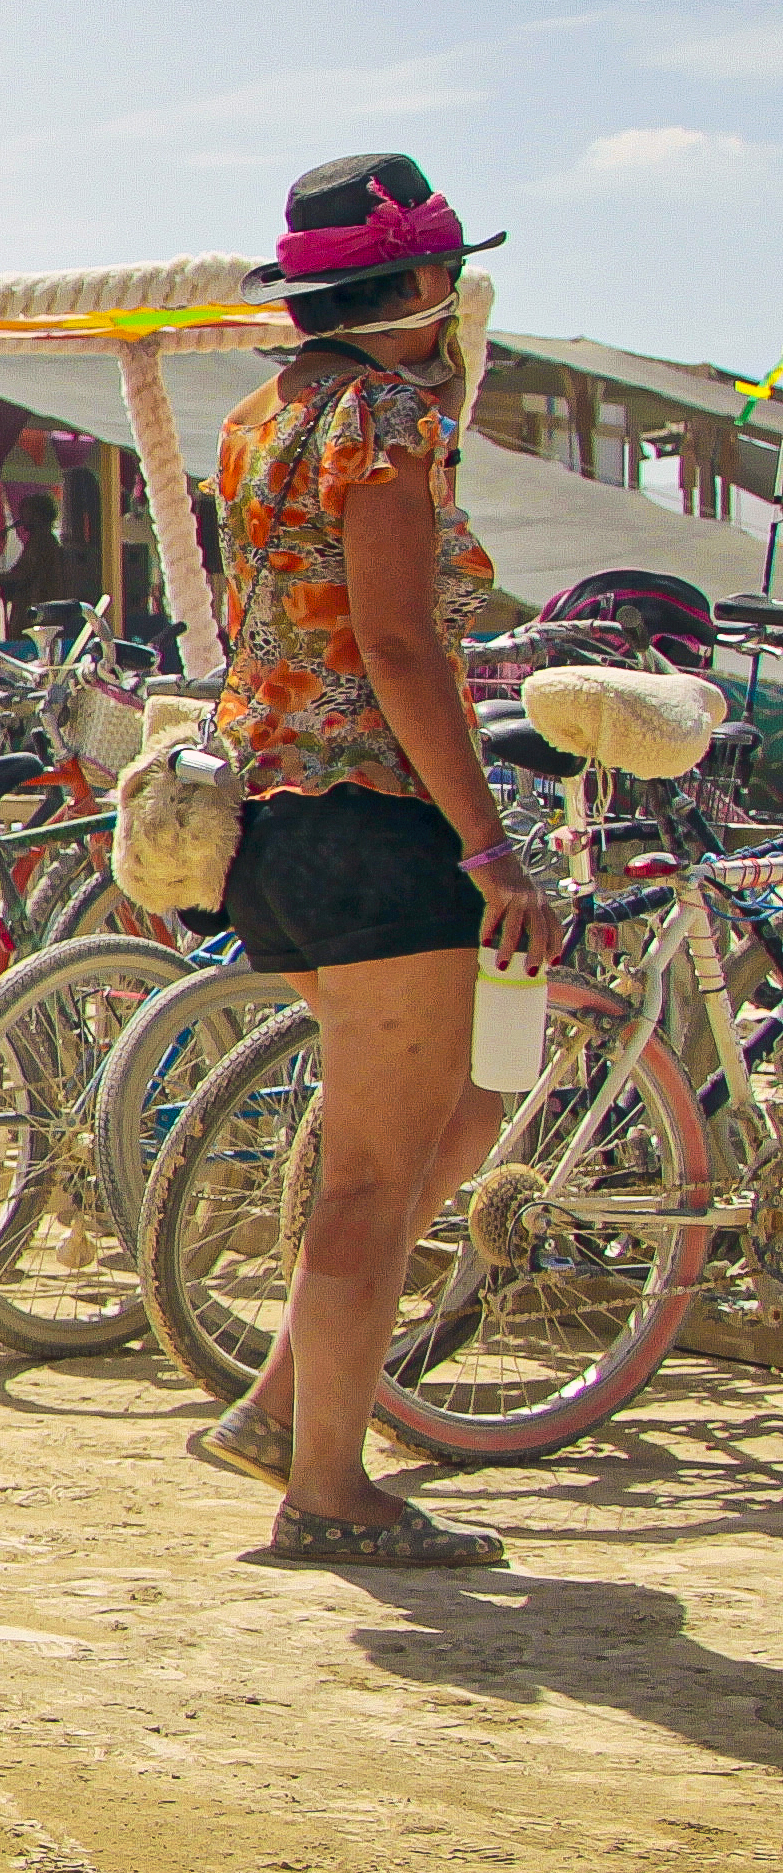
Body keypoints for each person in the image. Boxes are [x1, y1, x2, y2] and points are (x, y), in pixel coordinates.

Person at [189, 153, 542, 1567]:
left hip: (270, 824)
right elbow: (398, 644)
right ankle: (329, 1490)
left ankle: (284, 1406)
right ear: (422, 281)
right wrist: (489, 841)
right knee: (375, 1178)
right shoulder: (389, 421)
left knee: (456, 1116)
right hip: (374, 819)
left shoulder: (258, 417)